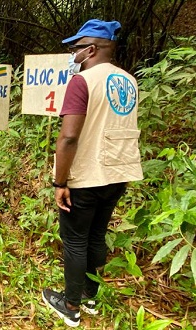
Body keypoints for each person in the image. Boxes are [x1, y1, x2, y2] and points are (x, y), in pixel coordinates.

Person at [41, 20, 143, 327]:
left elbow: (69, 137)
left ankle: (71, 305)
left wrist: (60, 182)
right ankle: (91, 295)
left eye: (75, 48)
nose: (72, 53)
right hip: (118, 172)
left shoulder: (83, 81)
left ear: (91, 49)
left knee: (74, 240)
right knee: (97, 234)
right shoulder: (129, 80)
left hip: (87, 175)